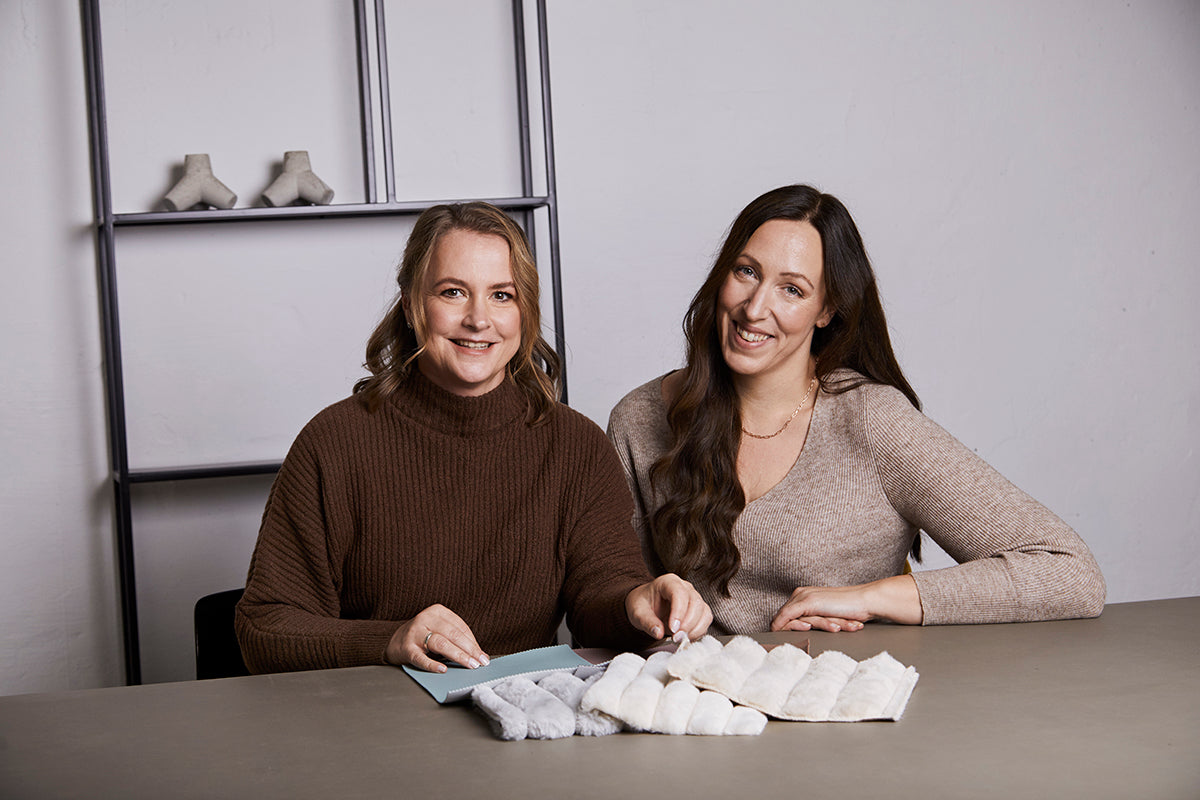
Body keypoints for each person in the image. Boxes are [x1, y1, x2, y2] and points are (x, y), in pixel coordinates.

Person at [236, 202, 711, 674]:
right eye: (453, 292)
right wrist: (389, 639)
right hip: (374, 724)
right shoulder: (334, 444)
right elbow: (264, 628)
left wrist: (638, 602)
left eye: (502, 295)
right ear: (410, 305)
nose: (479, 319)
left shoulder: (575, 446)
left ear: (525, 309)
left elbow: (599, 598)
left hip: (523, 722)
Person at [607, 185, 1105, 635]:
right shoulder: (642, 418)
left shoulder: (870, 421)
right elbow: (615, 595)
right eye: (746, 272)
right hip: (699, 714)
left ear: (827, 311)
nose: (755, 308)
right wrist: (642, 603)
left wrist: (872, 598)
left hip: (849, 707)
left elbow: (1069, 571)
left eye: (792, 289)